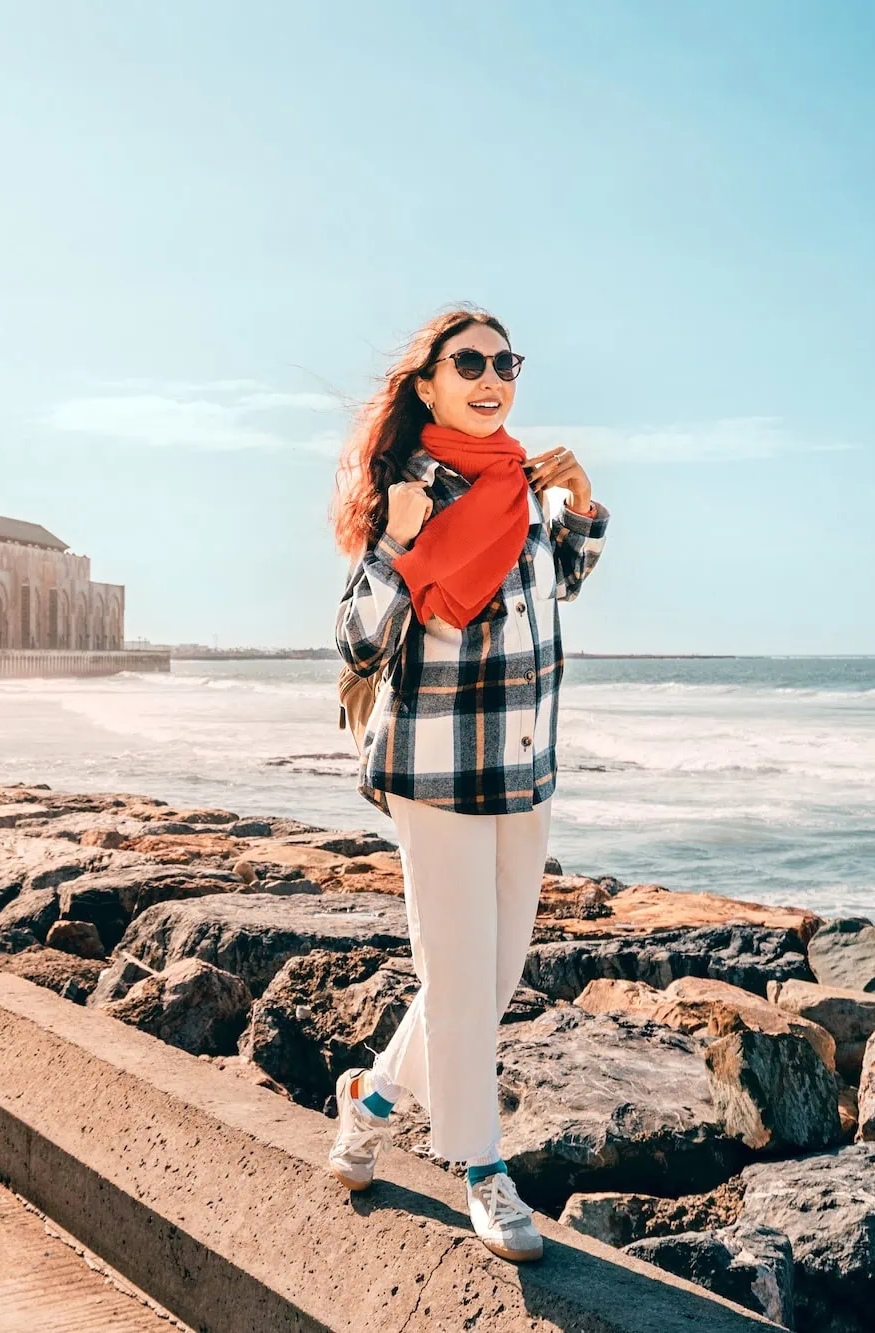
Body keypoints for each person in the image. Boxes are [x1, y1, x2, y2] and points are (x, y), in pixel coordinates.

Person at [326, 306, 609, 1262]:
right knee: (458, 980)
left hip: (523, 771)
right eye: (470, 362)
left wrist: (584, 509)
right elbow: (361, 638)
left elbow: (552, 590)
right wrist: (398, 545)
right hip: (436, 773)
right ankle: (482, 1169)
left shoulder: (518, 483)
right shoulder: (415, 492)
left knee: (486, 981)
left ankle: (368, 1101)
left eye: (506, 361)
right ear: (427, 384)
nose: (492, 378)